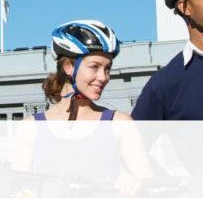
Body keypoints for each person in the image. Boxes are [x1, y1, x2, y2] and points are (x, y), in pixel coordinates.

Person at [12, 20, 152, 195]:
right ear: (68, 67)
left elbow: (150, 186)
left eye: (107, 69)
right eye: (94, 67)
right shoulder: (31, 127)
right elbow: (18, 190)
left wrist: (137, 184)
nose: (103, 77)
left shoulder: (119, 123)